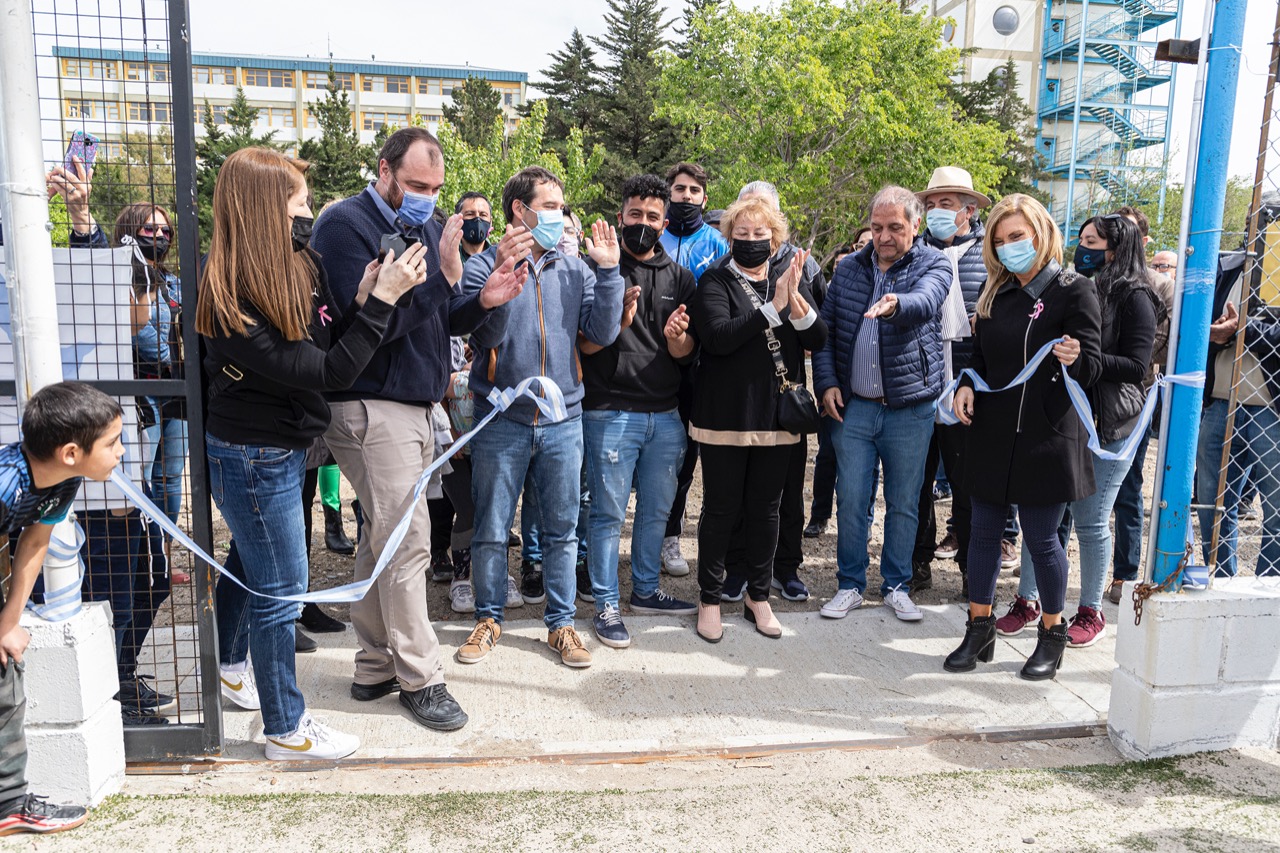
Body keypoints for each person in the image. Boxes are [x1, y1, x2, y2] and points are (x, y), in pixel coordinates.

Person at [199, 147, 467, 758]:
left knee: (251, 562)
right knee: (282, 590)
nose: (309, 212)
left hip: (281, 446)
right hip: (251, 453)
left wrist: (361, 301)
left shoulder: (294, 264)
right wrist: (383, 302)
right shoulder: (230, 294)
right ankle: (286, 729)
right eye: (298, 203)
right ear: (265, 208)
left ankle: (230, 660)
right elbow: (326, 370)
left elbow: (327, 337)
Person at [311, 128, 512, 727]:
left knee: (382, 539)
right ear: (385, 169)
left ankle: (373, 664)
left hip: (419, 406)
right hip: (370, 405)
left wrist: (483, 302)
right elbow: (366, 328)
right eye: (418, 185)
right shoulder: (343, 227)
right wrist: (447, 280)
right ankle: (421, 676)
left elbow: (434, 318)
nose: (429, 198)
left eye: (436, 187)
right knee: (408, 541)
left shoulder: (430, 225)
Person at [458, 166, 624, 668]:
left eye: (560, 207)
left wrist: (611, 271)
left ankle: (562, 625)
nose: (559, 215)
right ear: (519, 210)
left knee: (561, 529)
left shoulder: (574, 270)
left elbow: (603, 332)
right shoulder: (481, 267)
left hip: (563, 421)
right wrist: (503, 284)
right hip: (501, 419)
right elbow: (481, 340)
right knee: (490, 527)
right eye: (550, 206)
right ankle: (488, 620)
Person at [47, 163, 186, 721]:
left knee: (152, 577)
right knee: (115, 581)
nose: (157, 238)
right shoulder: (108, 280)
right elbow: (97, 277)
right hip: (112, 450)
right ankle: (110, 693)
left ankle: (122, 675)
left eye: (164, 230)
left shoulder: (172, 282)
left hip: (156, 425)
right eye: (146, 231)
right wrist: (83, 218)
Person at [945, 193, 1102, 681]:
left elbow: (1095, 367)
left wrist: (1077, 357)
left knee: (1040, 538)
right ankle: (979, 626)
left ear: (1041, 233)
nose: (1010, 246)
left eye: (1018, 236)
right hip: (993, 432)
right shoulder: (996, 293)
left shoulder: (1075, 290)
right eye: (1000, 239)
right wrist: (968, 383)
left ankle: (1052, 635)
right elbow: (981, 357)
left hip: (1047, 435)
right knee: (983, 535)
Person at [1004, 214, 1157, 646]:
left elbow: (1136, 367)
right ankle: (1028, 600)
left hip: (1108, 425)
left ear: (1118, 248)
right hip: (1064, 416)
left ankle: (1089, 611)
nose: (1082, 246)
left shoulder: (1135, 296)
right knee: (1043, 517)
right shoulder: (1068, 288)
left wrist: (1082, 357)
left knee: (1090, 521)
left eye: (1093, 241)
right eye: (1081, 238)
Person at [689, 196, 827, 642]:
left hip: (775, 416)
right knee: (722, 509)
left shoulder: (787, 279)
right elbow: (717, 337)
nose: (751, 241)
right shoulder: (714, 280)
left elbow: (819, 338)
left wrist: (796, 304)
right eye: (742, 234)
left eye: (760, 234)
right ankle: (710, 599)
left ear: (776, 239)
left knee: (767, 511)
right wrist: (773, 309)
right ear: (730, 238)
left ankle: (758, 597)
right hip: (725, 416)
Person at [814, 186, 951, 624]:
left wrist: (896, 305)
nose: (884, 236)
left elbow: (927, 300)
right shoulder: (849, 268)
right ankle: (850, 584)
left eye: (895, 227)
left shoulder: (934, 262)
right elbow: (825, 333)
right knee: (851, 498)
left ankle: (896, 585)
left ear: (915, 225)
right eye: (877, 227)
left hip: (910, 409)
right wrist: (827, 383)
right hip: (853, 407)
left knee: (905, 501)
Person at [579, 174, 699, 649]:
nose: (643, 224)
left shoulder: (681, 277)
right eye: (635, 215)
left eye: (652, 217)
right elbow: (584, 346)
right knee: (607, 514)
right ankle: (607, 602)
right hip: (609, 411)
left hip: (665, 415)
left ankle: (646, 590)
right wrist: (617, 320)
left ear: (664, 222)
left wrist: (678, 339)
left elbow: (688, 354)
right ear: (620, 217)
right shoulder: (597, 271)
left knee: (656, 512)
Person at [0, 382, 125, 836]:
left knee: (5, 680)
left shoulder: (64, 480)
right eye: (112, 443)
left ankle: (9, 807)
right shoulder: (5, 483)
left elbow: (34, 542)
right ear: (72, 451)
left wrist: (8, 623)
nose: (121, 451)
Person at [913, 167, 992, 598]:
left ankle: (970, 570)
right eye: (931, 204)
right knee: (915, 485)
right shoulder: (914, 252)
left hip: (968, 386)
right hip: (920, 384)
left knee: (967, 486)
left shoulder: (989, 256)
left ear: (969, 210)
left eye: (946, 204)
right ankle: (917, 562)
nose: (936, 212)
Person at [659, 162, 730, 578]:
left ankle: (671, 535)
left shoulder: (718, 244)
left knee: (687, 457)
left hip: (701, 365)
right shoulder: (654, 238)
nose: (686, 196)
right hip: (651, 363)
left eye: (693, 191)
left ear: (705, 197)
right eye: (679, 189)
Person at [1195, 248, 1280, 578]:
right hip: (1220, 403)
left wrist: (1245, 331)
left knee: (1275, 512)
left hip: (1271, 410)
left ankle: (1268, 590)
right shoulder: (1226, 267)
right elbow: (1203, 323)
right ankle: (1220, 581)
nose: (1255, 223)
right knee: (1210, 505)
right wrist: (1217, 335)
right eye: (1250, 217)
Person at [1104, 209, 1175, 604]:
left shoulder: (1158, 286)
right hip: (1093, 397)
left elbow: (1157, 344)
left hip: (1137, 398)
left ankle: (1124, 575)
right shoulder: (1098, 282)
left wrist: (1117, 356)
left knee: (1127, 488)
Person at [807, 228, 873, 539]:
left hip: (868, 397)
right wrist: (825, 384)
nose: (867, 247)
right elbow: (824, 337)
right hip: (836, 390)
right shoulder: (839, 285)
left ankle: (865, 522)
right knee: (827, 455)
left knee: (866, 469)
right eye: (861, 244)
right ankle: (819, 515)